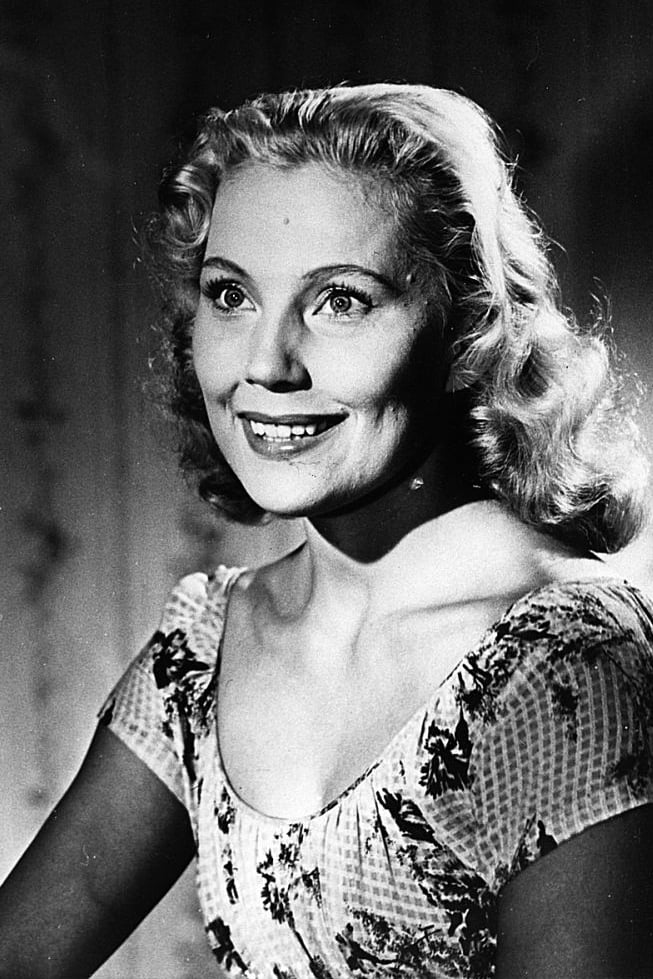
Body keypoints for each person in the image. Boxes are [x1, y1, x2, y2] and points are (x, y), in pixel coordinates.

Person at [1, 83, 653, 979]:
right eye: (230, 294)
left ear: (467, 324)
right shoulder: (202, 650)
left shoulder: (569, 664)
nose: (266, 364)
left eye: (340, 300)